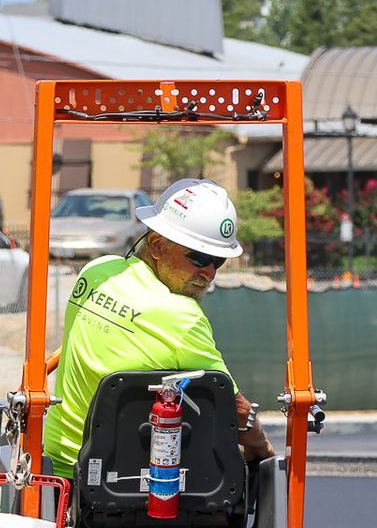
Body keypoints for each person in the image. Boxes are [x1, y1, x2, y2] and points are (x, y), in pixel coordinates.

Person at [43, 178, 274, 478]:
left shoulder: (96, 272)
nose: (209, 273)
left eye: (218, 261)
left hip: (57, 468)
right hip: (126, 482)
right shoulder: (181, 316)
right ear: (157, 246)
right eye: (200, 258)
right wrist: (262, 448)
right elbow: (235, 410)